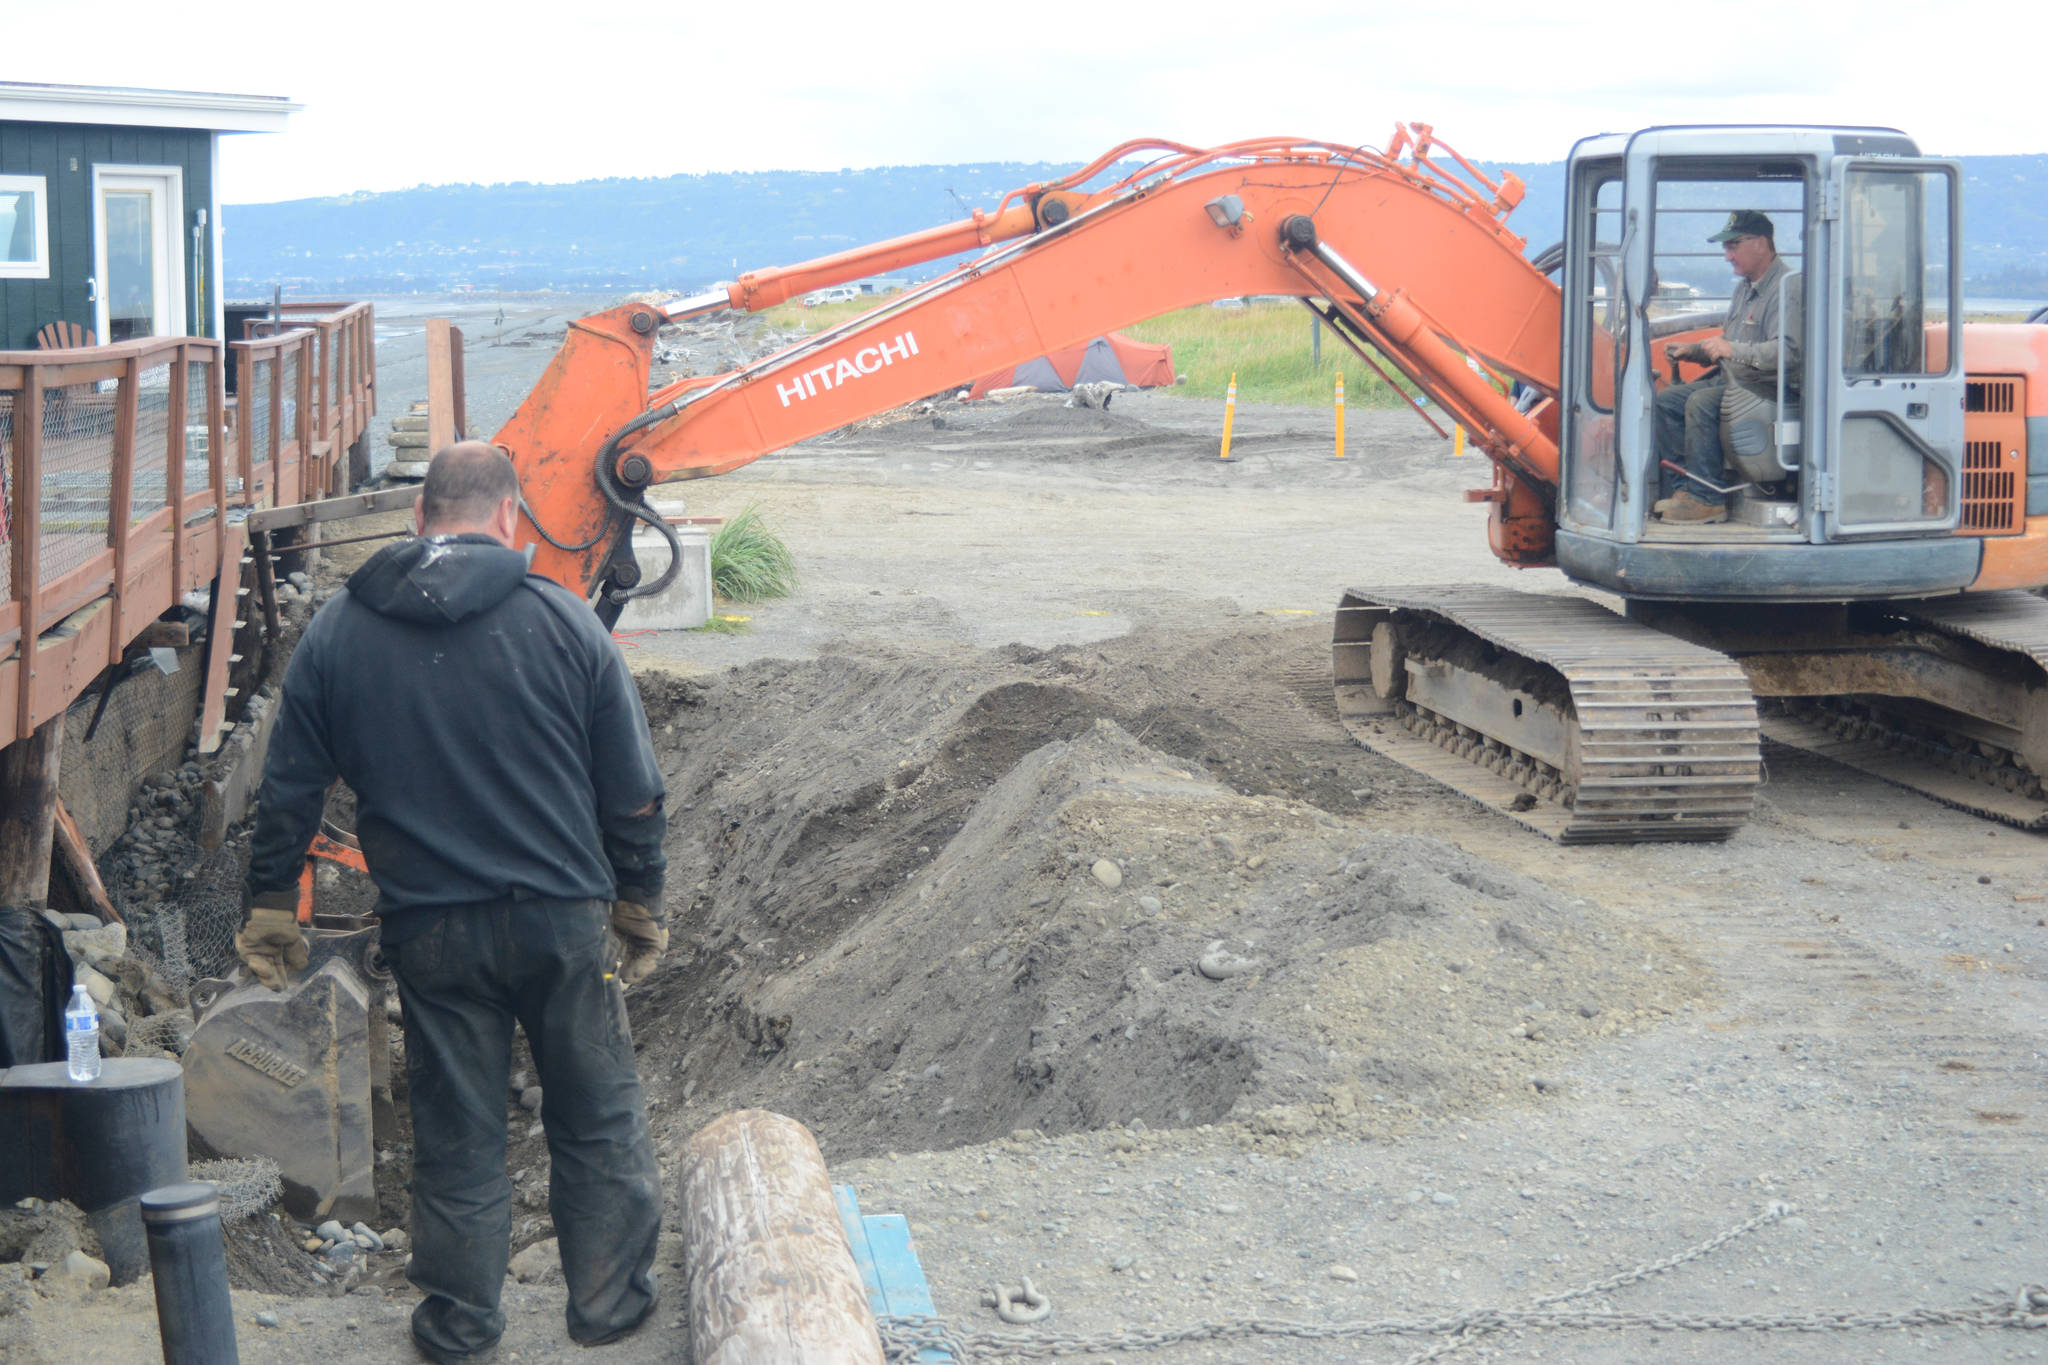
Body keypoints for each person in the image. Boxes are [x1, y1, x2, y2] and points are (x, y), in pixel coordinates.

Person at [236, 442, 670, 1363]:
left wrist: (273, 902)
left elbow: (287, 789)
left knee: (460, 1130)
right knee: (595, 1115)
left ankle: (462, 1327)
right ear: (509, 515)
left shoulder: (341, 633)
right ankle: (609, 1310)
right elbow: (632, 789)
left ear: (420, 515)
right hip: (561, 916)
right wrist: (639, 897)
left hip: (432, 927)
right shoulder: (565, 622)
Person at [1652, 210, 1803, 524]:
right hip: (1735, 381)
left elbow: (1788, 352)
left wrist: (1731, 348)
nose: (1727, 256)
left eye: (1733, 246)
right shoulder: (1745, 288)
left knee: (1701, 402)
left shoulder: (1788, 288)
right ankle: (1687, 491)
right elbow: (1729, 344)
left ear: (1761, 243)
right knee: (1664, 402)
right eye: (1726, 247)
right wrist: (1692, 351)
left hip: (1769, 388)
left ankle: (1708, 500)